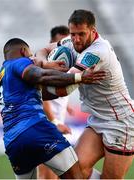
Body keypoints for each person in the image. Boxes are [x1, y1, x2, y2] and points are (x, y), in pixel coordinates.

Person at [35, 9, 134, 179]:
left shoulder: (97, 51)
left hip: (121, 122)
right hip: (97, 119)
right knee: (72, 172)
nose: (76, 39)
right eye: (73, 34)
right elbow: (43, 50)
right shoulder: (70, 42)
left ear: (93, 31)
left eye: (81, 34)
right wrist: (43, 62)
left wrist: (36, 87)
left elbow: (62, 89)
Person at [0, 38, 105, 179]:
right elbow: (39, 75)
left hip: (12, 142)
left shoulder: (2, 74)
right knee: (76, 176)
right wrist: (78, 77)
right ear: (23, 51)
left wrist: (68, 83)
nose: (32, 59)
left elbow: (44, 93)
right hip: (35, 128)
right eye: (30, 55)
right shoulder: (20, 62)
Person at [39, 25, 74, 179]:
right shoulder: (47, 67)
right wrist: (55, 122)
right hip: (48, 125)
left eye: (66, 43)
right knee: (48, 172)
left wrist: (68, 107)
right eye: (59, 43)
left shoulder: (64, 66)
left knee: (56, 172)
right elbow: (42, 98)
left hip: (54, 123)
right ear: (51, 43)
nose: (63, 49)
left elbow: (57, 94)